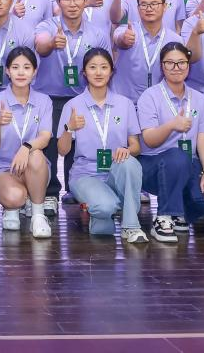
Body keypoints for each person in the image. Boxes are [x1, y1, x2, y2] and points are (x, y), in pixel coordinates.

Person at [35, 0, 113, 214]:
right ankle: (50, 192)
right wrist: (52, 44)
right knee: (50, 143)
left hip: (82, 97)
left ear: (84, 1)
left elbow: (106, 63)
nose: (72, 4)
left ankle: (74, 189)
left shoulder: (97, 33)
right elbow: (40, 45)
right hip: (50, 96)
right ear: (58, 2)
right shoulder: (47, 26)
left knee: (78, 142)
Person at [135, 43, 204, 243]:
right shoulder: (149, 97)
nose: (176, 67)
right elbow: (149, 140)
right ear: (162, 66)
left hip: (188, 164)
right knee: (177, 157)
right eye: (170, 63)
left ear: (188, 65)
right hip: (153, 165)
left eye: (181, 63)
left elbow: (203, 137)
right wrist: (171, 125)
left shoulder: (199, 99)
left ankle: (179, 211)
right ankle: (163, 218)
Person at [56, 48, 149, 243]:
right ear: (84, 72)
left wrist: (127, 150)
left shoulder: (125, 104)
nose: (98, 73)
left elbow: (136, 146)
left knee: (130, 163)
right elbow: (62, 150)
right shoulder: (73, 106)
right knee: (105, 211)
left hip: (116, 170)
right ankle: (105, 209)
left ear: (111, 72)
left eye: (104, 67)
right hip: (86, 174)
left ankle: (131, 226)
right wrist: (69, 128)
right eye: (92, 67)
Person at [0, 46, 54, 238]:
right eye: (15, 67)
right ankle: (16, 204)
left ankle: (38, 216)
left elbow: (45, 137)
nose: (21, 72)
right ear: (7, 71)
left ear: (35, 71)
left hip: (35, 168)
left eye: (27, 67)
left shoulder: (44, 101)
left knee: (36, 154)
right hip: (4, 168)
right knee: (15, 197)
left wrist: (26, 147)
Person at [111, 0, 171, 102]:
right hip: (125, 103)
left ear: (164, 7)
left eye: (154, 4)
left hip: (157, 104)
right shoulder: (126, 30)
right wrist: (124, 39)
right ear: (138, 8)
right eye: (143, 5)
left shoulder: (175, 40)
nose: (149, 8)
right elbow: (118, 38)